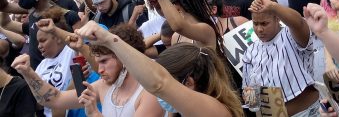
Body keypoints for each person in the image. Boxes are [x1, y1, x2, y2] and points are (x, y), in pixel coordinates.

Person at [73, 21, 243, 117]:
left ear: (189, 82)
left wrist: (110, 40)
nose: (155, 96)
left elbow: (159, 84)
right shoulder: (176, 112)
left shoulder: (213, 110)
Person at [12, 24, 164, 117]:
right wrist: (28, 73)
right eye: (98, 62)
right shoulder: (104, 85)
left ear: (125, 56)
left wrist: (94, 114)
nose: (100, 69)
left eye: (104, 61)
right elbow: (55, 100)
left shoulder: (148, 91)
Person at [242, 0, 318, 116]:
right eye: (255, 24)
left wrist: (273, 6)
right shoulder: (250, 52)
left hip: (308, 112)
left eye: (264, 23)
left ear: (277, 19)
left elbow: (298, 22)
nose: (259, 29)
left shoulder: (289, 35)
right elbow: (251, 100)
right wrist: (252, 96)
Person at [0, 0, 80, 69]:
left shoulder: (68, 16)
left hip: (62, 75)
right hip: (40, 73)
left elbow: (81, 46)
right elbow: (4, 7)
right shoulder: (32, 11)